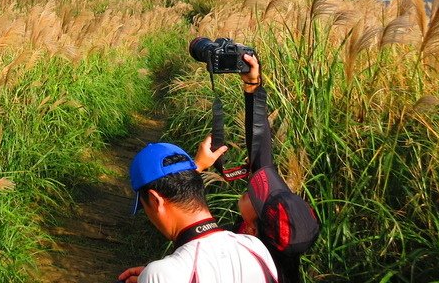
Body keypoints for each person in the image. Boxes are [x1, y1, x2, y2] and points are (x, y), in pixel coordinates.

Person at [194, 54, 319, 283]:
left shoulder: (227, 259)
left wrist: (197, 167)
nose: (255, 186)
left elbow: (182, 217)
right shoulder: (273, 251)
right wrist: (252, 86)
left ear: (252, 230)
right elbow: (260, 151)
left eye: (260, 197)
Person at [118, 141, 278, 283]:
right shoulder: (255, 247)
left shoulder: (163, 274)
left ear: (155, 200)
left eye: (144, 207)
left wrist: (155, 276)